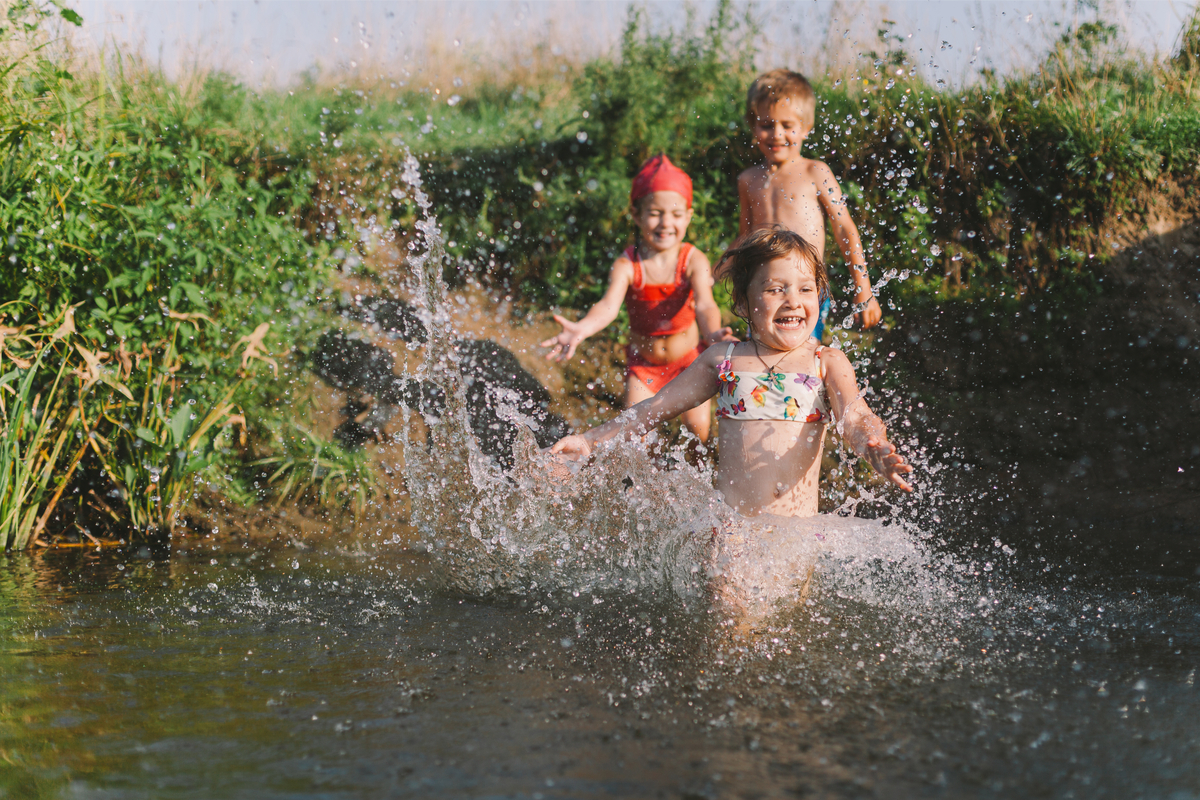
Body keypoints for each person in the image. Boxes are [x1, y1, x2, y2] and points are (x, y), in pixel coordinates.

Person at [549, 228, 911, 518]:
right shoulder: (724, 359)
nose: (793, 300)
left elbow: (856, 416)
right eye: (775, 289)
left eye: (805, 289)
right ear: (742, 302)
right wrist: (589, 440)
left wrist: (872, 445)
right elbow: (653, 408)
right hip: (733, 532)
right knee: (732, 607)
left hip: (797, 538)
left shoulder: (827, 361)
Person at [541, 154, 735, 443]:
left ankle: (698, 479)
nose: (666, 222)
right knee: (636, 437)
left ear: (689, 216)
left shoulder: (693, 259)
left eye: (676, 214)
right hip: (644, 366)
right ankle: (646, 484)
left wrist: (713, 333)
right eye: (655, 212)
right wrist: (583, 328)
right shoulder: (628, 264)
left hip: (689, 362)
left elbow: (706, 303)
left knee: (698, 435)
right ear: (636, 214)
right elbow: (608, 306)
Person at [738, 68, 883, 340]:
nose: (776, 134)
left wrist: (863, 288)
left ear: (805, 127)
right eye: (767, 125)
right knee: (760, 355)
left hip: (807, 287)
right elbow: (744, 237)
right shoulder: (749, 180)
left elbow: (844, 230)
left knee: (803, 357)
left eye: (787, 125)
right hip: (762, 288)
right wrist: (710, 276)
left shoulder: (815, 172)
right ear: (753, 126)